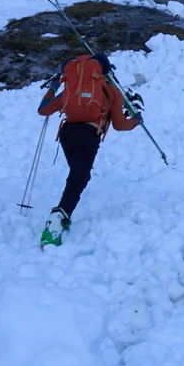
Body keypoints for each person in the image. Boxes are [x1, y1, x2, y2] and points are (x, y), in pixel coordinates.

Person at [37, 52, 140, 245]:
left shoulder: (71, 90)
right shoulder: (110, 90)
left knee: (79, 177)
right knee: (77, 179)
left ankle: (64, 212)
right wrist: (136, 120)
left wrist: (52, 88)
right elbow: (119, 124)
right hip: (89, 136)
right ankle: (56, 222)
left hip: (67, 135)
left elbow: (43, 109)